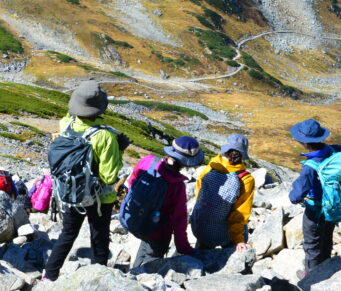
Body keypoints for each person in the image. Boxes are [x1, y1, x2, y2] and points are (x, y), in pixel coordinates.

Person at [42, 81, 122, 282]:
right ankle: (99, 277)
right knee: (99, 237)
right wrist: (119, 151)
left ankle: (49, 275)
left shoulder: (65, 124)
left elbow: (69, 117)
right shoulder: (105, 136)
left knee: (67, 234)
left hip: (70, 193)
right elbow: (109, 177)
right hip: (99, 199)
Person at [288, 119, 341, 277]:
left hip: (315, 209)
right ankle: (326, 265)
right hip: (333, 205)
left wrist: (292, 196)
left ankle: (311, 276)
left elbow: (296, 195)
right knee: (326, 236)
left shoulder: (310, 166)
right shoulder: (335, 150)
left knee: (312, 242)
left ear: (304, 142)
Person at [127, 136, 204, 268]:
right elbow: (178, 221)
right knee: (153, 258)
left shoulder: (148, 161)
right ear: (186, 163)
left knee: (145, 244)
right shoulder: (177, 185)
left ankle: (133, 273)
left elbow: (131, 183)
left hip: (136, 219)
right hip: (158, 231)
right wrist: (184, 248)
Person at [192, 133, 255, 252]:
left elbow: (199, 193)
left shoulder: (212, 166)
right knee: (243, 227)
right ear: (243, 154)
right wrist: (238, 239)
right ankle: (232, 256)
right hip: (220, 234)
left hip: (198, 225)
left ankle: (200, 252)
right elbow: (240, 213)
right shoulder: (245, 178)